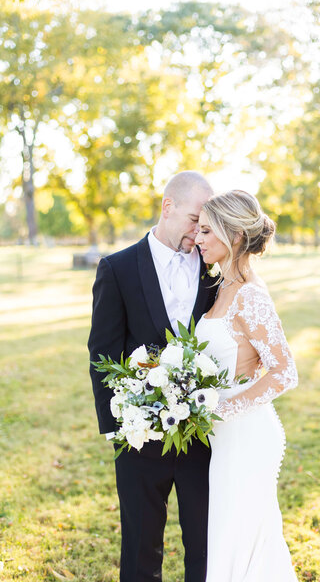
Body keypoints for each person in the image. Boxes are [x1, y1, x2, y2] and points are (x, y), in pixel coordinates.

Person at [88, 171, 216, 582]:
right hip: (140, 439)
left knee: (206, 546)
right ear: (167, 207)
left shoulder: (214, 270)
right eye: (195, 219)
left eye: (206, 224)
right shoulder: (118, 268)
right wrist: (121, 430)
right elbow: (102, 353)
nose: (200, 233)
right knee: (141, 549)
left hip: (204, 435)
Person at [195, 189, 299, 581]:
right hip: (223, 438)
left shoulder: (251, 295)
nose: (198, 239)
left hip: (247, 438)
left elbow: (285, 371)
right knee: (229, 541)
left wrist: (221, 409)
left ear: (235, 235)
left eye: (207, 230)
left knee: (241, 542)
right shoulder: (220, 286)